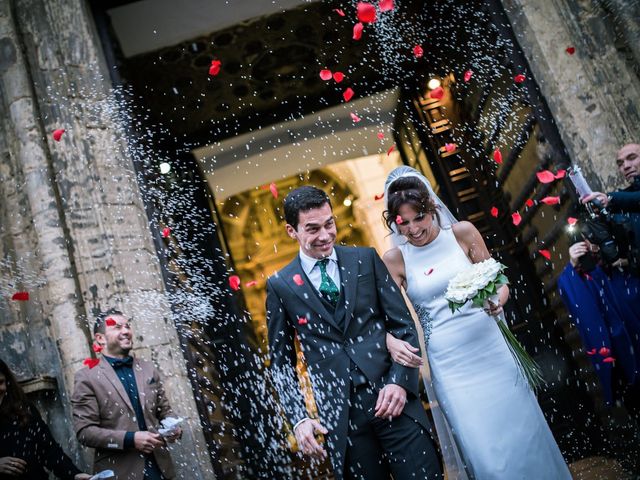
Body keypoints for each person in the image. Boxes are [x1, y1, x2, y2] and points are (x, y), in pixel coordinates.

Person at [381, 166, 571, 479]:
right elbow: (390, 318)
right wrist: (390, 340)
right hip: (451, 366)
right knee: (486, 450)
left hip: (492, 349)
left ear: (432, 209)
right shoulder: (394, 260)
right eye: (404, 223)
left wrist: (499, 300)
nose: (413, 229)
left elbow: (500, 282)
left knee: (524, 436)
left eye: (420, 218)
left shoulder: (463, 233)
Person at [265, 186, 442, 480]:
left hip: (395, 401)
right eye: (312, 228)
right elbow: (282, 363)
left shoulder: (365, 259)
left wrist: (399, 382)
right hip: (343, 421)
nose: (325, 235)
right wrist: (298, 419)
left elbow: (403, 326)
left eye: (329, 223)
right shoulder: (281, 285)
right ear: (291, 231)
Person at [71, 309, 182, 480]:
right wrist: (131, 439)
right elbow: (85, 432)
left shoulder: (148, 368)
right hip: (119, 473)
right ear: (100, 338)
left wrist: (174, 427)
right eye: (117, 327)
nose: (126, 331)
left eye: (127, 326)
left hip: (161, 470)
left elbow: (165, 410)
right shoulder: (86, 377)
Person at [0, 358, 91, 480]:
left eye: (0, 382)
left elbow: (48, 449)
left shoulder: (22, 409)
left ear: (7, 383)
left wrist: (73, 474)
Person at [581, 142, 640, 258]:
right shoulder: (624, 200)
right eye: (620, 163)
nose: (626, 166)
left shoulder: (621, 200)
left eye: (632, 158)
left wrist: (608, 199)